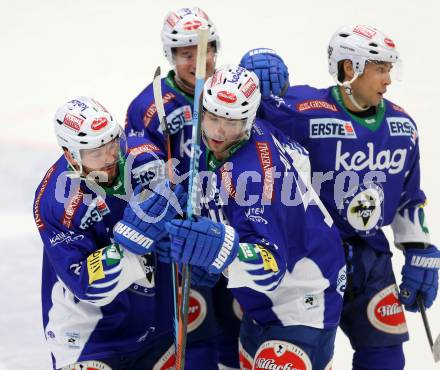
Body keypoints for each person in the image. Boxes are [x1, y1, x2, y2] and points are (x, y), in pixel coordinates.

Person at [240, 25, 440, 370]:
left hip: (371, 260)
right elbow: (240, 128)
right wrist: (254, 90)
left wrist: (420, 249)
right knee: (308, 357)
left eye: (390, 69)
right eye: (380, 69)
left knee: (386, 359)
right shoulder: (302, 110)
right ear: (350, 68)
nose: (388, 80)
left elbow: (408, 195)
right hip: (312, 258)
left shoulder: (403, 126)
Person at [161, 64, 347, 370]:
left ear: (247, 122)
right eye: (213, 118)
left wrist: (220, 249)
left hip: (303, 299)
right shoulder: (240, 139)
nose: (219, 131)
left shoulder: (256, 178)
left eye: (230, 123)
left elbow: (270, 267)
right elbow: (299, 159)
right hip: (262, 304)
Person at [125, 7, 241, 370]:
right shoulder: (149, 106)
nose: (199, 60)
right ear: (171, 56)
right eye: (187, 53)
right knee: (197, 331)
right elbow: (143, 183)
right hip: (187, 237)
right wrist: (168, 235)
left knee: (239, 327)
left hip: (233, 225)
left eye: (205, 49)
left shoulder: (232, 90)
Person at [33, 96, 187, 370]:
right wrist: (131, 243)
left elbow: (180, 206)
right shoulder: (56, 201)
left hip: (155, 325)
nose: (109, 157)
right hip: (87, 338)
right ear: (71, 155)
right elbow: (85, 283)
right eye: (95, 152)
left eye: (112, 143)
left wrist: (178, 231)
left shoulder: (145, 158)